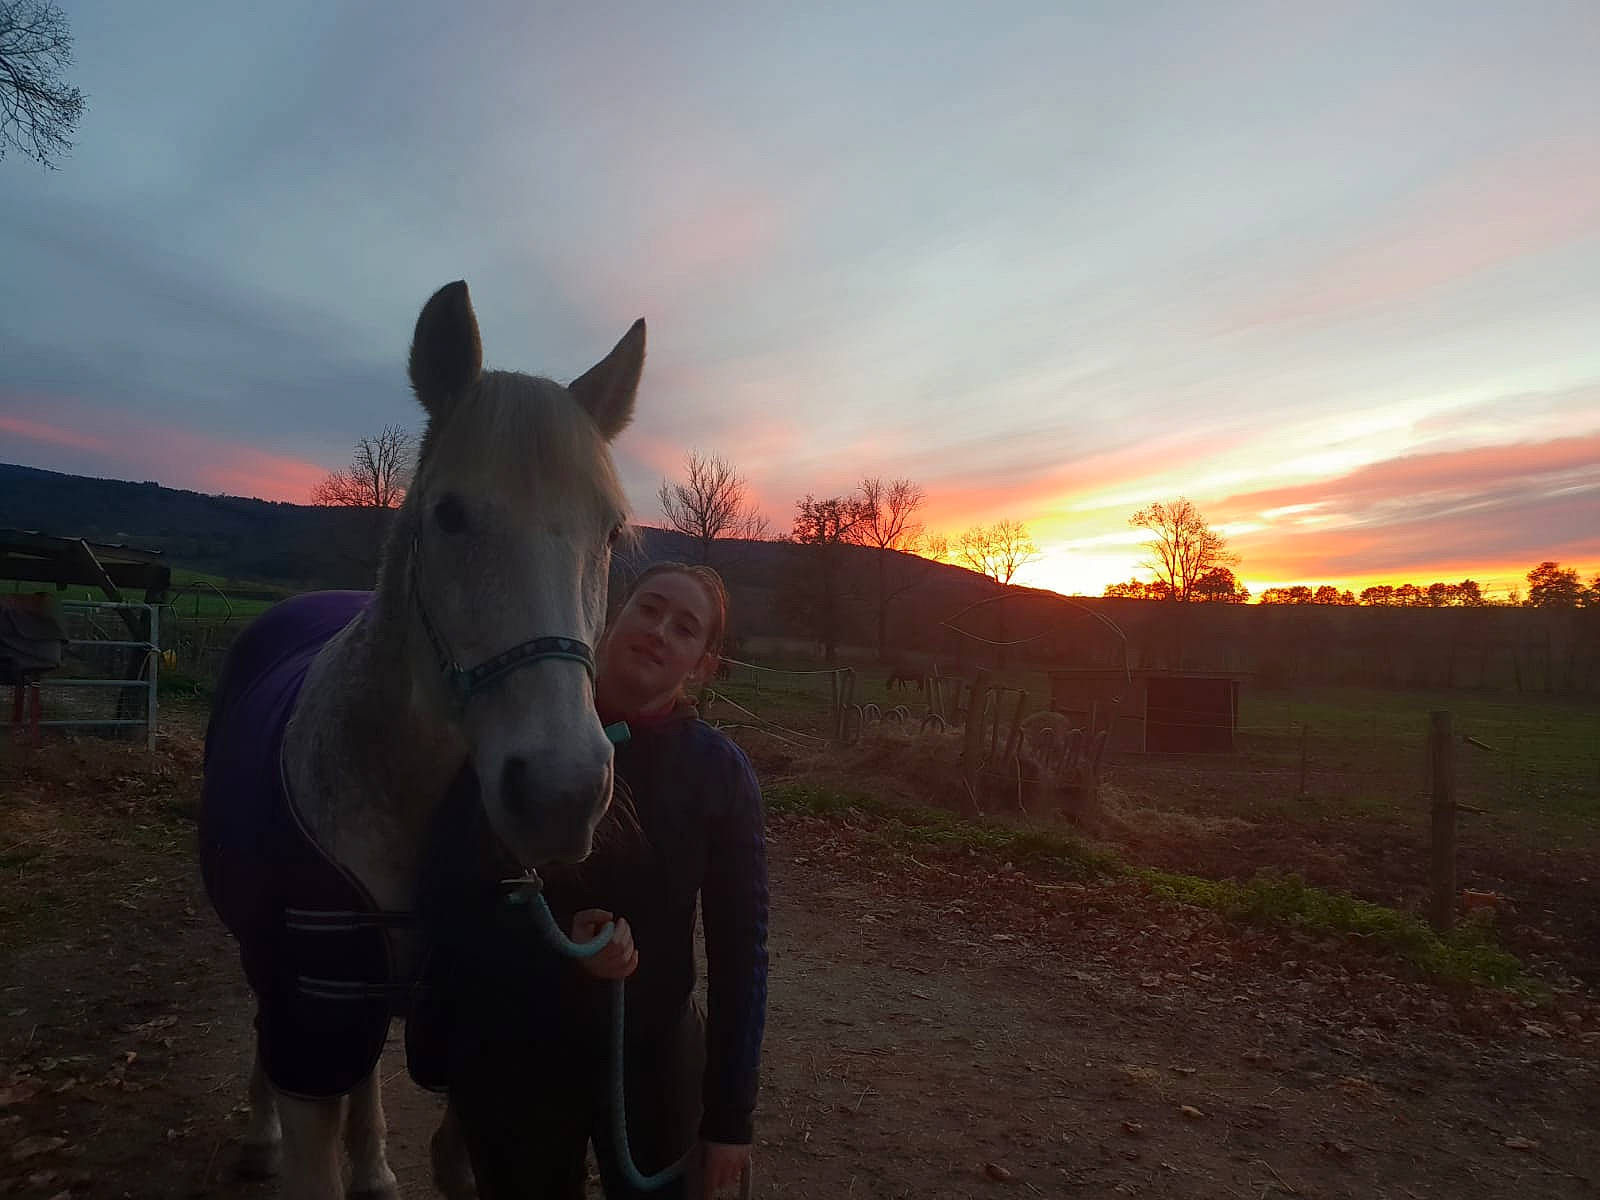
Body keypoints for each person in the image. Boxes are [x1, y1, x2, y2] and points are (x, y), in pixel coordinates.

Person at [409, 562, 769, 1200]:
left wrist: (730, 1119)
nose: (659, 631)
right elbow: (447, 889)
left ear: (704, 666)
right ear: (611, 615)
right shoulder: (512, 738)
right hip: (520, 1047)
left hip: (654, 1054)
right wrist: (556, 948)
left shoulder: (718, 775)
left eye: (684, 629)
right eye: (649, 609)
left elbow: (742, 951)